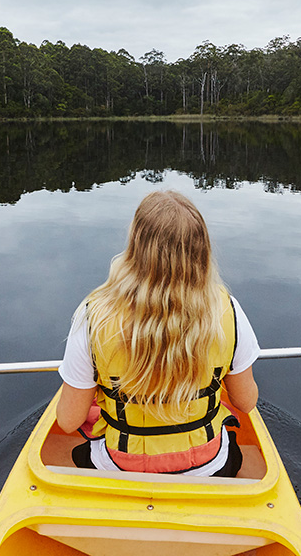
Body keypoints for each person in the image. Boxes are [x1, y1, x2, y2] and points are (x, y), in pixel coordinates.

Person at [55, 190, 261, 477]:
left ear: (135, 247)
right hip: (210, 465)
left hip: (121, 465)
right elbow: (246, 402)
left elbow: (67, 421)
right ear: (201, 251)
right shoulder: (228, 310)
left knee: (67, 447)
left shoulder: (93, 316)